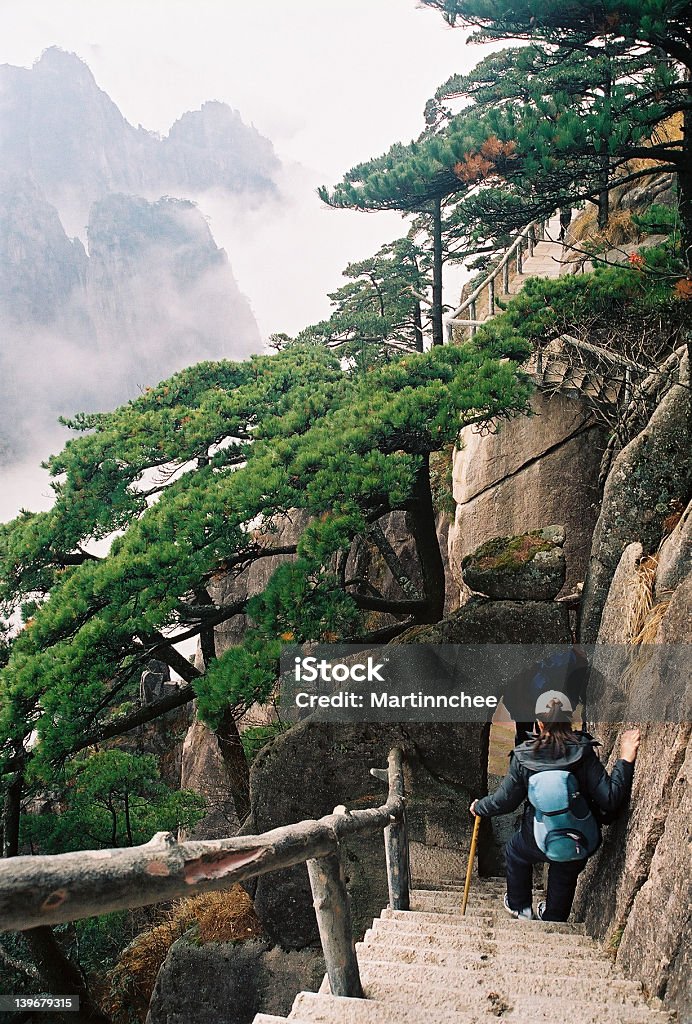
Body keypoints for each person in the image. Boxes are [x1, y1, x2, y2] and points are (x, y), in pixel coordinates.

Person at [470, 691, 639, 922]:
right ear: (570, 720)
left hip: (537, 837)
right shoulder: (583, 751)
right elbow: (610, 798)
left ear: (539, 723)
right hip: (578, 838)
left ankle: (521, 908)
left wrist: (480, 806)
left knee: (515, 852)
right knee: (565, 870)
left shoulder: (524, 757)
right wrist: (626, 759)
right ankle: (553, 918)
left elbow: (505, 801)